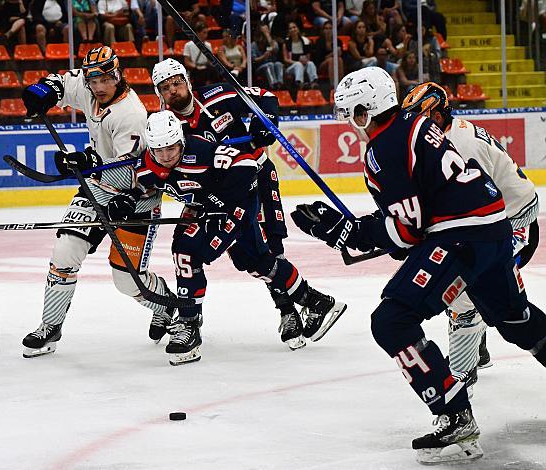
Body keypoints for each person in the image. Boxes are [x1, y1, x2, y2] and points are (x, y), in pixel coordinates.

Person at [291, 67, 546, 463]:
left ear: (366, 110)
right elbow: (419, 217)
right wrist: (361, 230)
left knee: (391, 320)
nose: (349, 121)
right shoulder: (413, 122)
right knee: (514, 317)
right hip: (493, 231)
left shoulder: (383, 148)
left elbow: (407, 233)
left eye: (352, 112)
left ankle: (454, 415)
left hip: (462, 238)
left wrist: (345, 232)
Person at [151, 58, 345, 350]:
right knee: (224, 252)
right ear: (159, 94)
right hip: (213, 196)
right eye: (165, 88)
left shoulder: (220, 94)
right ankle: (192, 316)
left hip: (256, 176)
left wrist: (263, 124)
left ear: (188, 81)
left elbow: (265, 97)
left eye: (177, 82)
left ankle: (288, 311)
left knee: (270, 247)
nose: (173, 91)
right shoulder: (166, 126)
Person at [19, 46, 175, 357]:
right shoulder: (88, 88)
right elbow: (62, 82)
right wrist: (41, 92)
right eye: (94, 80)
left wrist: (84, 161)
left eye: (106, 79)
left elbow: (127, 173)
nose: (100, 86)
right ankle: (50, 325)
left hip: (136, 198)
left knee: (127, 282)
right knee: (65, 251)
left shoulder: (130, 114)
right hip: (97, 188)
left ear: (118, 75)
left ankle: (168, 306)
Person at [402, 82, 540, 391]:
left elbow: (464, 209)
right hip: (497, 217)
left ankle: (460, 380)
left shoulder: (459, 146)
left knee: (460, 291)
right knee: (470, 278)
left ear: (437, 115)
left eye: (419, 119)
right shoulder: (448, 136)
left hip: (514, 221)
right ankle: (477, 345)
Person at [282, 22, 318, 89]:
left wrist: (305, 61)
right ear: (289, 31)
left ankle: (314, 82)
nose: (293, 29)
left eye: (294, 27)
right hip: (291, 67)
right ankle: (300, 84)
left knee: (310, 63)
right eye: (290, 28)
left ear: (298, 29)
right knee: (298, 64)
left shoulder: (305, 41)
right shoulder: (286, 42)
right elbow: (285, 59)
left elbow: (308, 58)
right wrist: (297, 63)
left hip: (304, 65)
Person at [251, 25, 284, 89]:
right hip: (260, 67)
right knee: (270, 65)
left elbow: (275, 49)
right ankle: (273, 85)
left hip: (272, 65)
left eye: (267, 30)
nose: (266, 32)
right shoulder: (254, 44)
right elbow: (254, 60)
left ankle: (280, 84)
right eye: (264, 31)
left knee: (278, 64)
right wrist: (263, 56)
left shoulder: (272, 41)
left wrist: (268, 36)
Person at [183, 22, 215, 88]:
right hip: (195, 69)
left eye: (207, 33)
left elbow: (210, 61)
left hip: (206, 69)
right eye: (204, 32)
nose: (206, 35)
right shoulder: (188, 45)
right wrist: (196, 67)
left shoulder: (208, 45)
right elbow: (187, 62)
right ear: (198, 32)